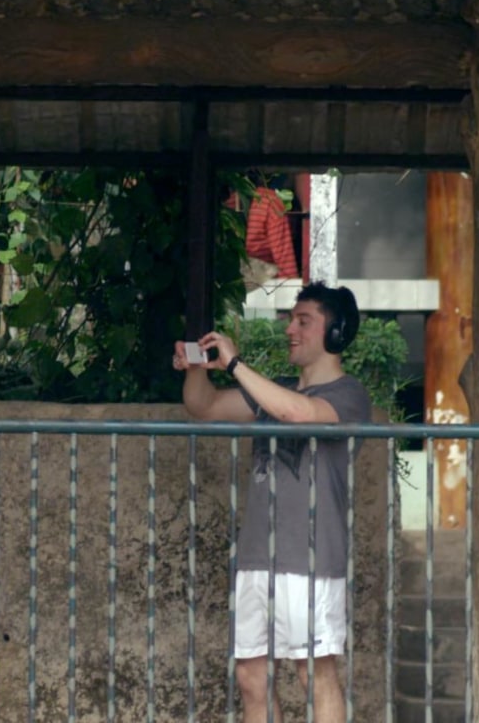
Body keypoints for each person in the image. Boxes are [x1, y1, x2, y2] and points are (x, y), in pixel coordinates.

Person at [175, 282, 371, 723]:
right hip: (257, 555)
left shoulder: (348, 394)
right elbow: (202, 406)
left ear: (335, 332)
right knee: (251, 675)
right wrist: (196, 367)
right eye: (290, 319)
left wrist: (237, 364)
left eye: (304, 321)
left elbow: (298, 413)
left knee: (312, 675)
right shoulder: (273, 391)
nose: (290, 330)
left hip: (312, 558)